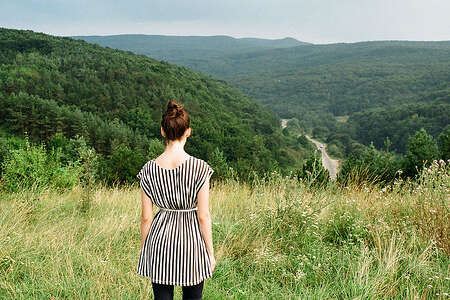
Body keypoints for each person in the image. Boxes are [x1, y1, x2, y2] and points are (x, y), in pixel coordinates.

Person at [136, 100, 216, 300]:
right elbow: (203, 216)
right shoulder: (200, 168)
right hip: (192, 242)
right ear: (188, 131)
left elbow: (146, 218)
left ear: (162, 131)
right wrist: (210, 253)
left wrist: (145, 249)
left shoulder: (148, 170)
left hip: (160, 241)